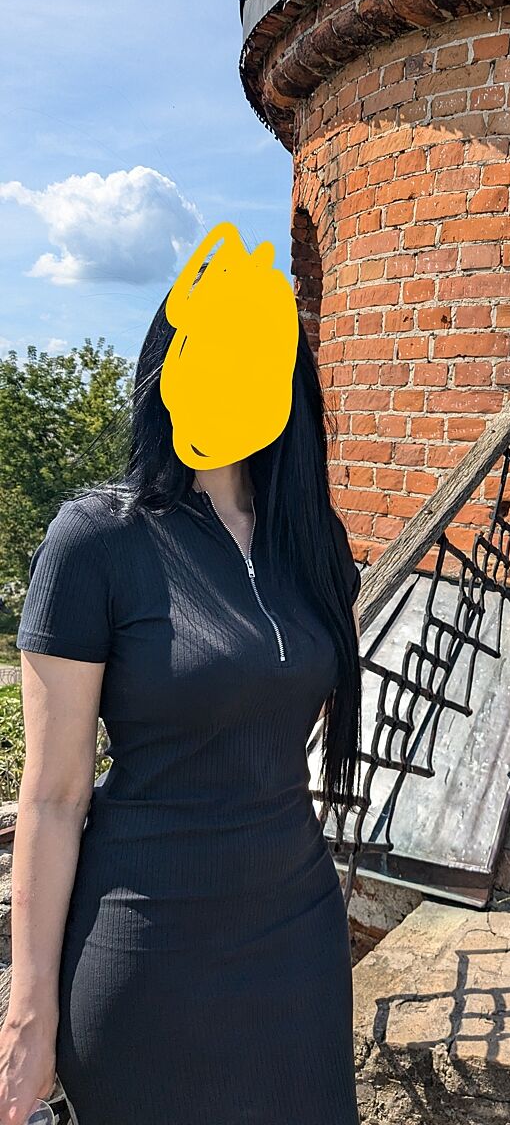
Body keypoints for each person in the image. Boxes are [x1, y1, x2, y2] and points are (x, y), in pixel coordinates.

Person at [0, 271, 364, 1124]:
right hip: (147, 950)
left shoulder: (313, 542)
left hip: (298, 939)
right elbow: (52, 797)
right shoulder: (98, 541)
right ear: (172, 362)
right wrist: (28, 1008)